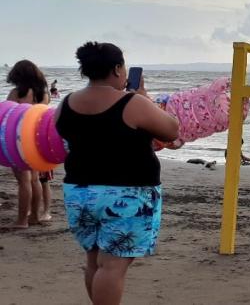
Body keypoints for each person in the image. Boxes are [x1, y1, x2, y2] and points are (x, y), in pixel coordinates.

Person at [54, 42, 179, 305]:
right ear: (117, 68)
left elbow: (64, 134)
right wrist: (144, 99)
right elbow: (171, 130)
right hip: (127, 193)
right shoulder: (132, 103)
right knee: (113, 266)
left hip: (79, 192)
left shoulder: (65, 104)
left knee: (94, 260)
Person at [5, 60, 50, 228]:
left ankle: (22, 220)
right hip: (36, 140)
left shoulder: (17, 93)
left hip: (18, 139)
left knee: (23, 180)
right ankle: (34, 217)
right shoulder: (43, 94)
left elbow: (7, 115)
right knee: (35, 179)